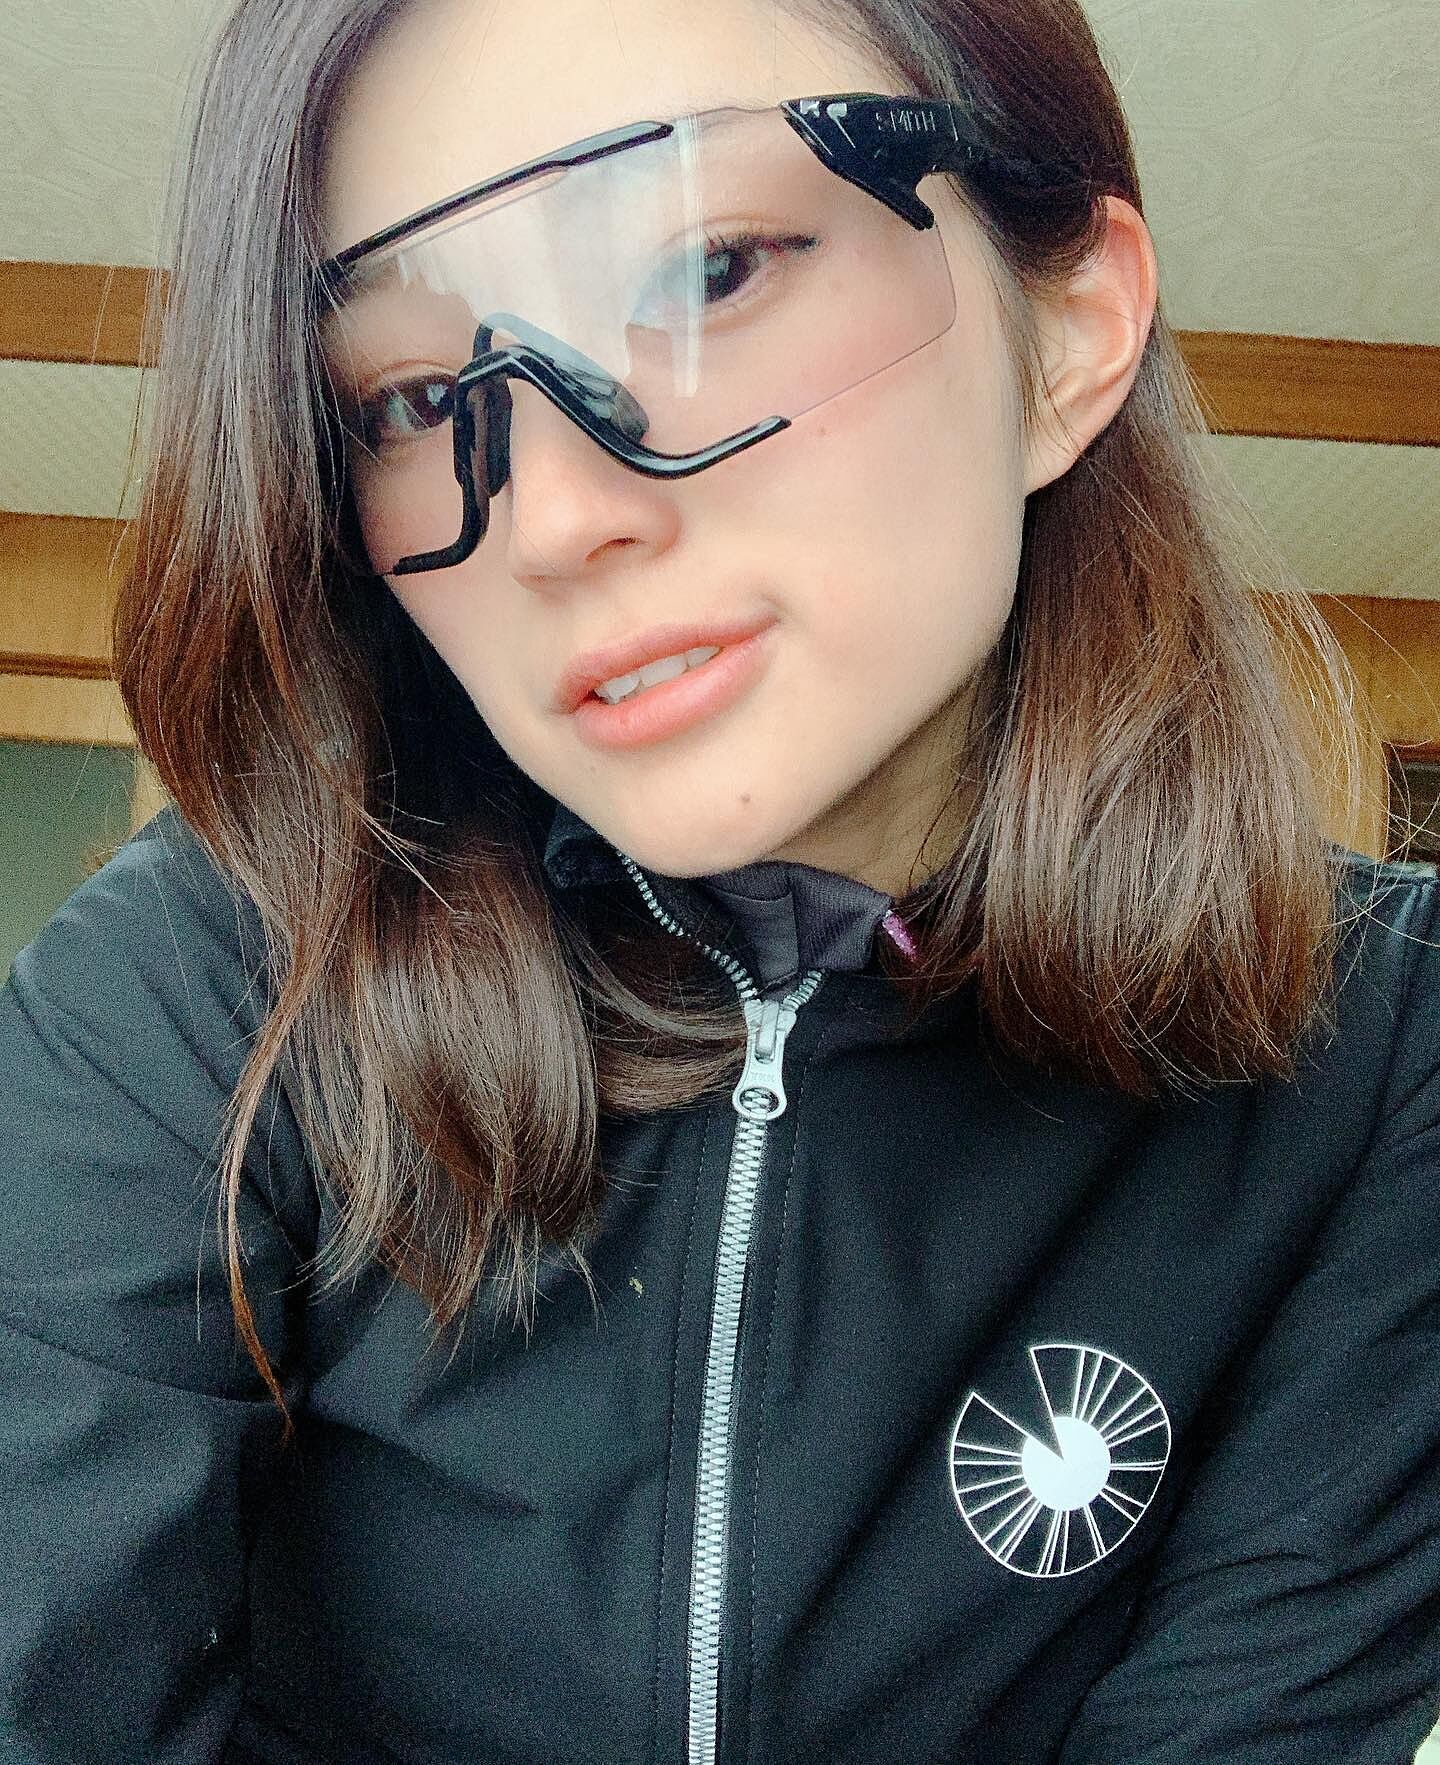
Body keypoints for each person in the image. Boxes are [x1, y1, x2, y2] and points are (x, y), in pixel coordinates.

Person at [2, 0, 1437, 1759]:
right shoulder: (199, 980)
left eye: (710, 270)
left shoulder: (1388, 1056)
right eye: (418, 399)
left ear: (1068, 331)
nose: (551, 516)